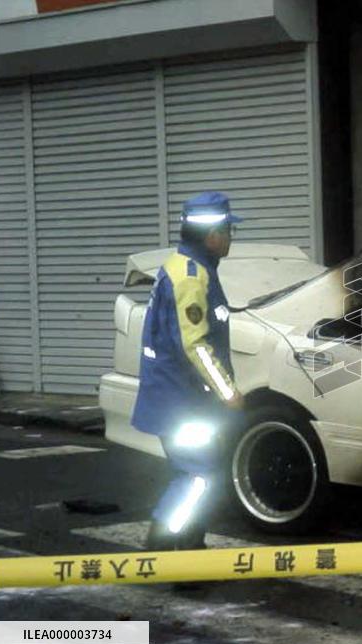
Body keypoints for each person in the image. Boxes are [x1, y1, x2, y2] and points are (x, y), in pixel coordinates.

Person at [131, 191, 245, 551]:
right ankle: (165, 546)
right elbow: (194, 344)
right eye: (228, 231)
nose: (230, 238)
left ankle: (186, 548)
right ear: (212, 236)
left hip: (181, 396)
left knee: (198, 471)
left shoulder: (184, 266)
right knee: (200, 474)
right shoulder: (191, 277)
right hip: (182, 400)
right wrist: (227, 391)